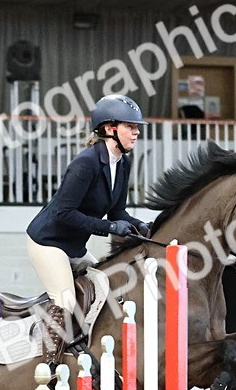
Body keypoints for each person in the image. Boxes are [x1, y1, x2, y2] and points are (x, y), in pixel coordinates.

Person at [26, 94, 152, 366]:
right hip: (48, 243)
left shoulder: (123, 163)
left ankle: (83, 349)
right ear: (109, 129)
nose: (136, 132)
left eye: (136, 127)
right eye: (130, 126)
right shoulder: (86, 163)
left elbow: (117, 213)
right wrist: (109, 227)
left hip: (74, 247)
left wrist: (140, 225)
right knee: (65, 301)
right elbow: (64, 213)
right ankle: (47, 367)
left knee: (107, 285)